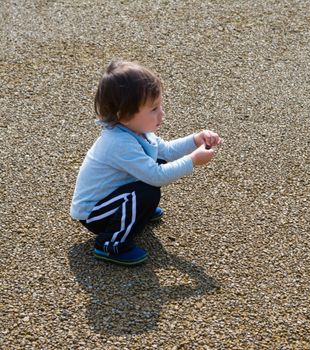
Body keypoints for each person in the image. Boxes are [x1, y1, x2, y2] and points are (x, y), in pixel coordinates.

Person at [70, 59, 221, 265]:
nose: (162, 113)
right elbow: (156, 176)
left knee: (153, 168)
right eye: (153, 109)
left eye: (160, 106)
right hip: (94, 213)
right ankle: (110, 244)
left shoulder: (139, 132)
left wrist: (196, 139)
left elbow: (166, 151)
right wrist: (193, 161)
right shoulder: (118, 142)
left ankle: (135, 212)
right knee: (147, 191)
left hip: (111, 199)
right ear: (124, 115)